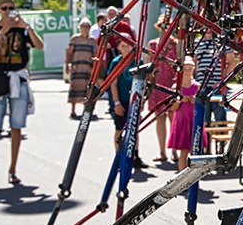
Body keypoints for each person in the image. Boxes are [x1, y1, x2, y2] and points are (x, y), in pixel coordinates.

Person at [0, 0, 44, 184]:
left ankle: (12, 169)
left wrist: (27, 27)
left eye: (11, 8)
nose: (8, 12)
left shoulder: (22, 29)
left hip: (18, 79)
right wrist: (3, 31)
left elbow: (39, 46)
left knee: (16, 126)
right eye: (4, 8)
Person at [106, 37, 146, 168]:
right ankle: (119, 157)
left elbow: (143, 81)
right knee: (119, 129)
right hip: (121, 100)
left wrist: (142, 100)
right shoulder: (116, 62)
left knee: (134, 129)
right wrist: (116, 103)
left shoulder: (138, 62)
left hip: (134, 100)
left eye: (128, 46)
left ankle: (135, 156)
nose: (126, 48)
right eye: (123, 46)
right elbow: (113, 83)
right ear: (118, 47)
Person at [146, 14, 178, 163]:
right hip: (157, 85)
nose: (165, 29)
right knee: (159, 118)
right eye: (163, 26)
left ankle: (174, 151)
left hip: (171, 84)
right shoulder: (152, 44)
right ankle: (162, 151)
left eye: (167, 26)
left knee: (173, 118)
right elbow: (147, 66)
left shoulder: (177, 44)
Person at [192, 30, 237, 127]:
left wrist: (223, 81)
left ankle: (221, 140)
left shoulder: (222, 41)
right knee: (202, 119)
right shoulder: (197, 42)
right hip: (201, 86)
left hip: (217, 86)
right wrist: (193, 81)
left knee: (220, 118)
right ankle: (204, 141)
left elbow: (232, 62)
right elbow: (194, 64)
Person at [167, 57, 199, 170]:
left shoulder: (197, 86)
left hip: (194, 120)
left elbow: (202, 106)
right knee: (183, 152)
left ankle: (193, 178)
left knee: (195, 151)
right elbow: (173, 108)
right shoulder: (176, 87)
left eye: (190, 69)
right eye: (185, 69)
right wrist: (180, 100)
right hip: (182, 121)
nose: (187, 72)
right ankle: (182, 175)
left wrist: (195, 101)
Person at [65, 18, 98, 119]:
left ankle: (86, 110)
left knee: (86, 88)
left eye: (87, 26)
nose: (85, 28)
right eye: (83, 26)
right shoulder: (74, 39)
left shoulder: (92, 40)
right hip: (77, 66)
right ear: (80, 27)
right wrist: (67, 64)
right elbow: (69, 52)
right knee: (74, 86)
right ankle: (73, 110)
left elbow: (95, 54)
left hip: (87, 67)